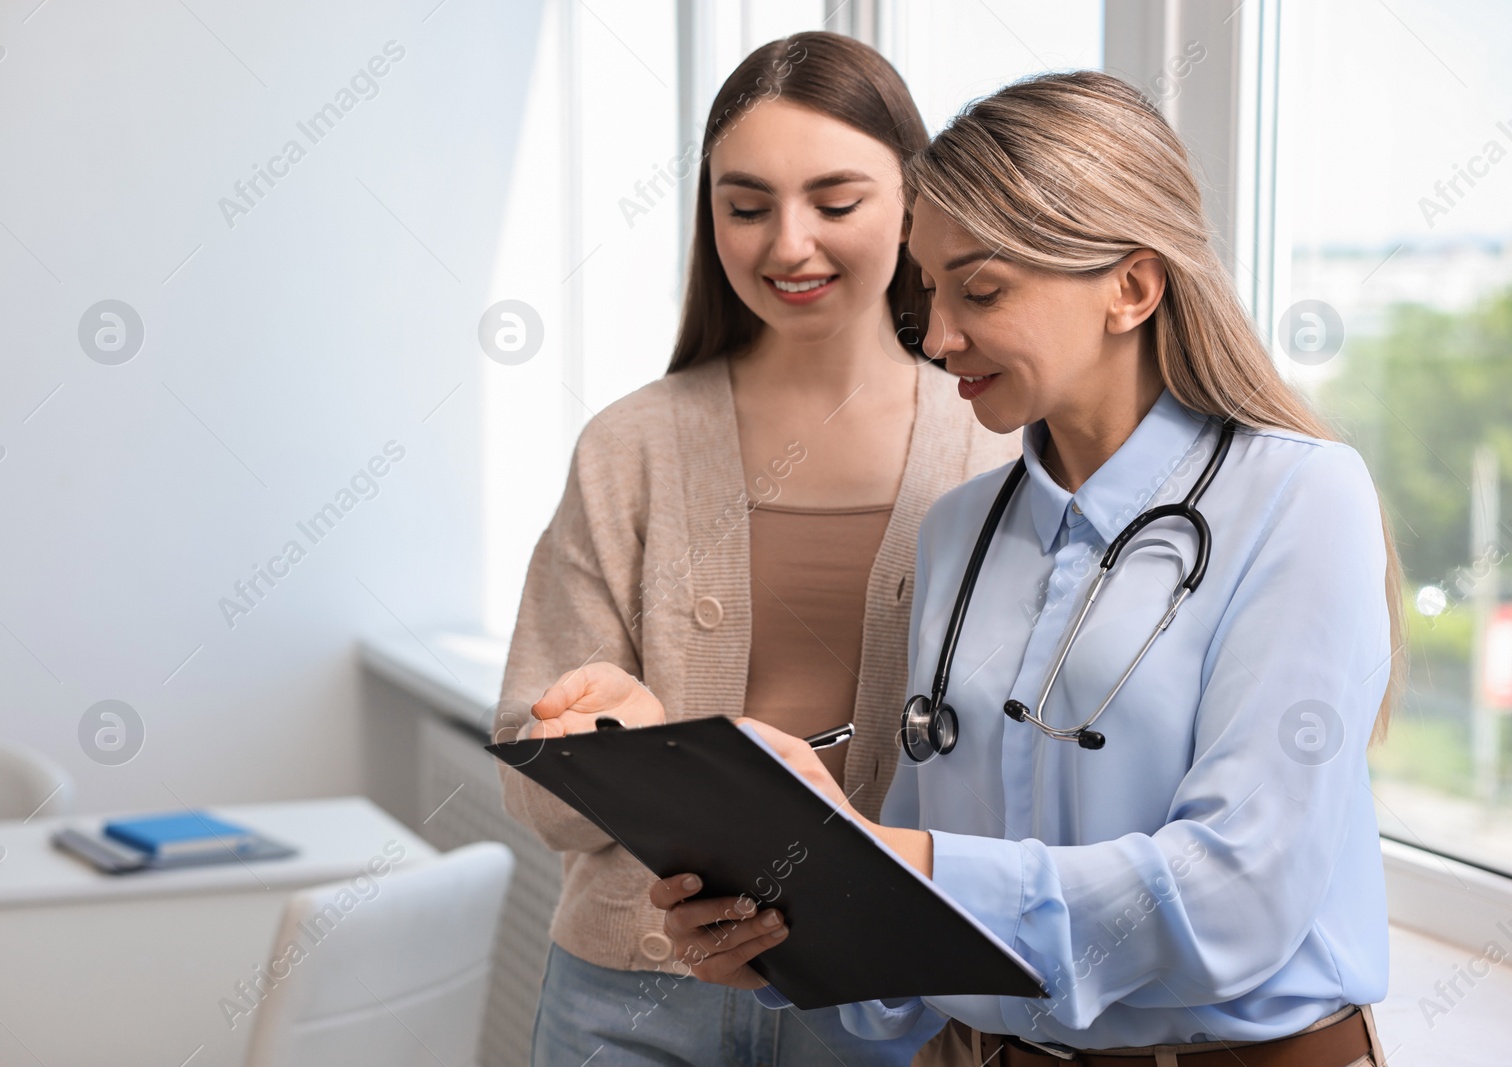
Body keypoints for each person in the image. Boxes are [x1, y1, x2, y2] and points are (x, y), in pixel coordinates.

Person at [537, 71, 1404, 1066]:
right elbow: (919, 948)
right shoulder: (960, 531)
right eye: (930, 289)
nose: (939, 334)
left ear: (1130, 285)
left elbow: (1237, 893)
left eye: (980, 290)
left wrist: (902, 863)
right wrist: (784, 936)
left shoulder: (1300, 497)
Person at [497, 32, 1019, 1067]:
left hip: (880, 994)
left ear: (915, 204)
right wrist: (609, 736)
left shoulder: (994, 438)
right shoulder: (631, 444)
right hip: (629, 988)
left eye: (835, 203)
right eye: (746, 206)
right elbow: (535, 792)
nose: (788, 245)